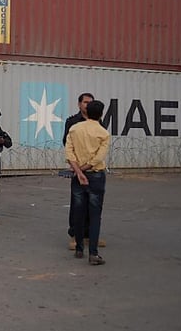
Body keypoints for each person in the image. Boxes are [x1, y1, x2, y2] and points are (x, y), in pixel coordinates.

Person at [65, 100, 111, 265]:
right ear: (100, 114)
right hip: (95, 176)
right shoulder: (103, 133)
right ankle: (93, 253)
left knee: (78, 212)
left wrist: (78, 171)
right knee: (94, 214)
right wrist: (84, 170)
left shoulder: (75, 129)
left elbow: (69, 153)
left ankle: (78, 249)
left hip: (77, 177)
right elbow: (98, 158)